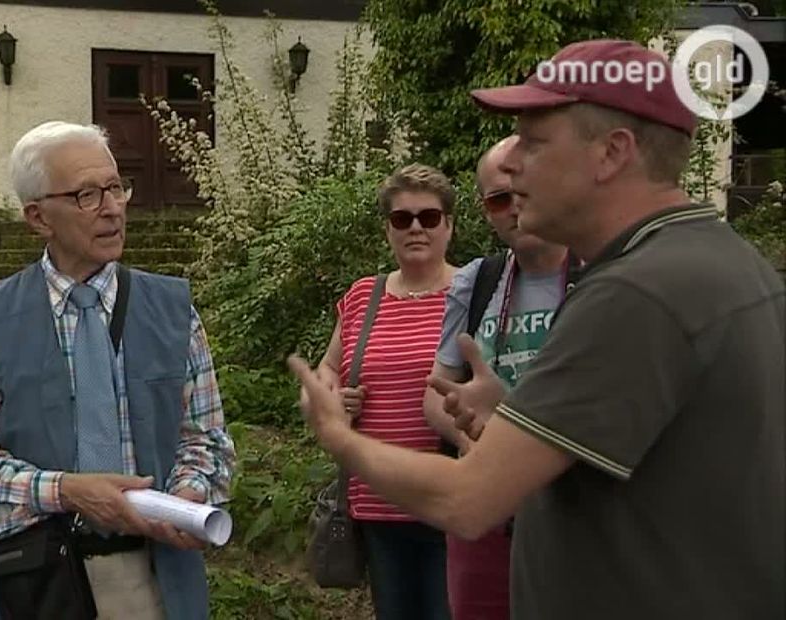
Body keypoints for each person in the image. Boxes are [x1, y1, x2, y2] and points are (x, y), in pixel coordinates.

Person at [288, 39, 784, 619]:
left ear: (611, 153)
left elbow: (468, 499)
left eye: (534, 141)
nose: (513, 162)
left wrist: (339, 436)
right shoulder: (726, 261)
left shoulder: (635, 293)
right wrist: (517, 412)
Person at [0, 120, 236, 620]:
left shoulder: (173, 310)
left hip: (156, 583)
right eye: (86, 195)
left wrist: (189, 495)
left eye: (117, 187)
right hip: (34, 584)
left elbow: (206, 440)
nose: (112, 207)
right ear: (38, 218)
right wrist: (66, 492)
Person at [423, 135, 572, 620]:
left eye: (521, 192)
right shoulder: (476, 281)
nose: (512, 209)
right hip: (488, 511)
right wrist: (469, 440)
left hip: (573, 511)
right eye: (497, 200)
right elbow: (435, 393)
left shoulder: (605, 276)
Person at [316, 163, 455, 620]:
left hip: (450, 499)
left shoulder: (471, 292)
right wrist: (335, 399)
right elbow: (328, 371)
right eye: (402, 219)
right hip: (377, 502)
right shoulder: (363, 296)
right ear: (388, 230)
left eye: (429, 217)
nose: (416, 227)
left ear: (449, 225)